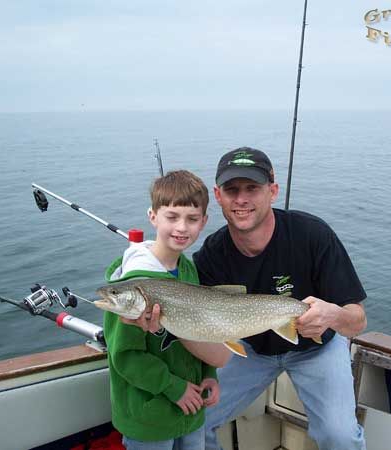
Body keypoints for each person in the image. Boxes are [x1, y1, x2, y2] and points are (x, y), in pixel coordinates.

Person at [191, 147, 368, 450]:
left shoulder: (312, 235)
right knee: (194, 421)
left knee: (339, 435)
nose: (241, 199)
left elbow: (357, 321)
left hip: (317, 349)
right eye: (232, 190)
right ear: (218, 195)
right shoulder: (210, 255)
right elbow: (205, 328)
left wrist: (332, 315)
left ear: (272, 191)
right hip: (249, 349)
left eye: (252, 188)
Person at [103, 170, 231, 450]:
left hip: (193, 412)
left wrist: (209, 374)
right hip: (150, 418)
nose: (182, 228)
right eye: (172, 217)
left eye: (192, 219)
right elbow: (124, 355)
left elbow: (201, 328)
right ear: (153, 216)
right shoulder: (131, 286)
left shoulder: (188, 269)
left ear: (204, 221)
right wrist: (175, 388)